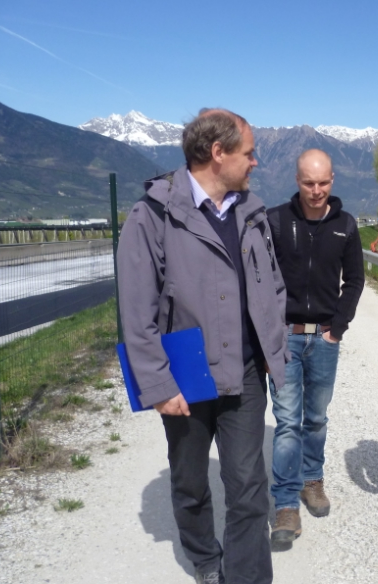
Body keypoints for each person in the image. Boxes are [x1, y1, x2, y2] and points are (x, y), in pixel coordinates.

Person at [117, 109, 288, 584]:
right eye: (249, 153)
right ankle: (207, 561)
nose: (255, 162)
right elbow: (136, 312)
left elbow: (272, 285)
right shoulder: (152, 215)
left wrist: (273, 348)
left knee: (249, 488)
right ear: (218, 153)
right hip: (186, 381)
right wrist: (158, 384)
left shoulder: (252, 212)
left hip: (245, 374)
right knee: (190, 484)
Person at [266, 149, 365, 550]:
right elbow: (261, 280)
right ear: (297, 180)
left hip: (324, 338)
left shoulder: (346, 225)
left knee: (317, 419)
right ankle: (286, 503)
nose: (316, 190)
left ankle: (312, 480)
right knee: (288, 421)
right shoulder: (275, 221)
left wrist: (337, 329)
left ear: (333, 180)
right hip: (285, 337)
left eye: (323, 182)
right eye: (309, 182)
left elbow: (354, 280)